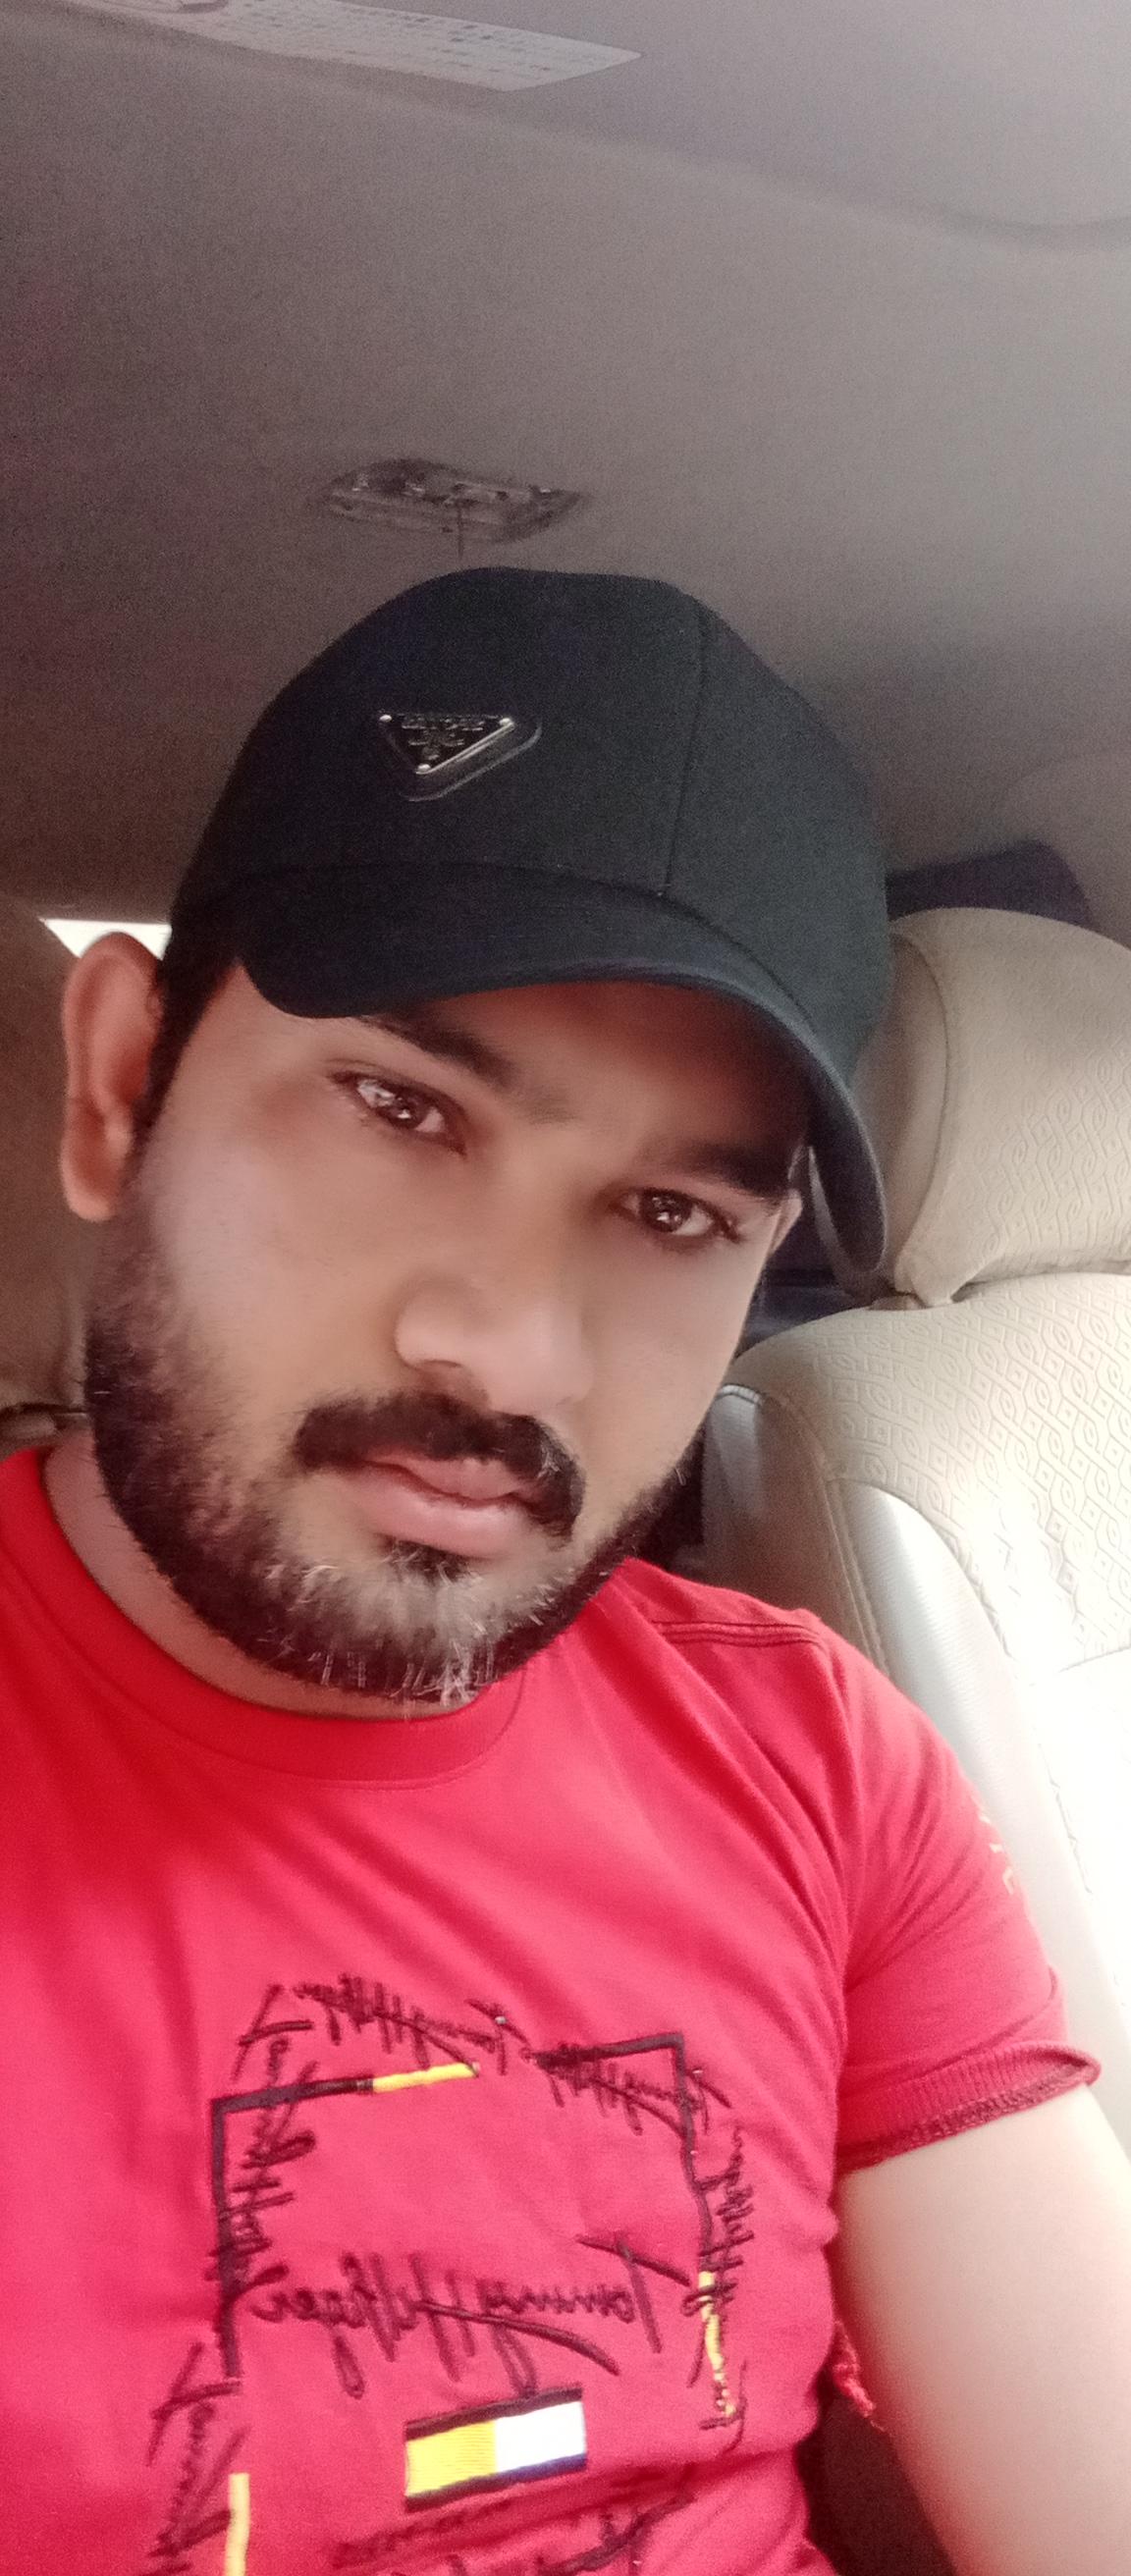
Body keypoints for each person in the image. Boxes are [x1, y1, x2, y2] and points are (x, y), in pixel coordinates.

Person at [3, 570, 1129, 2576]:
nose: (510, 1352)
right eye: (401, 1108)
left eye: (673, 1213)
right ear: (115, 1087)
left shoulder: (815, 1760)